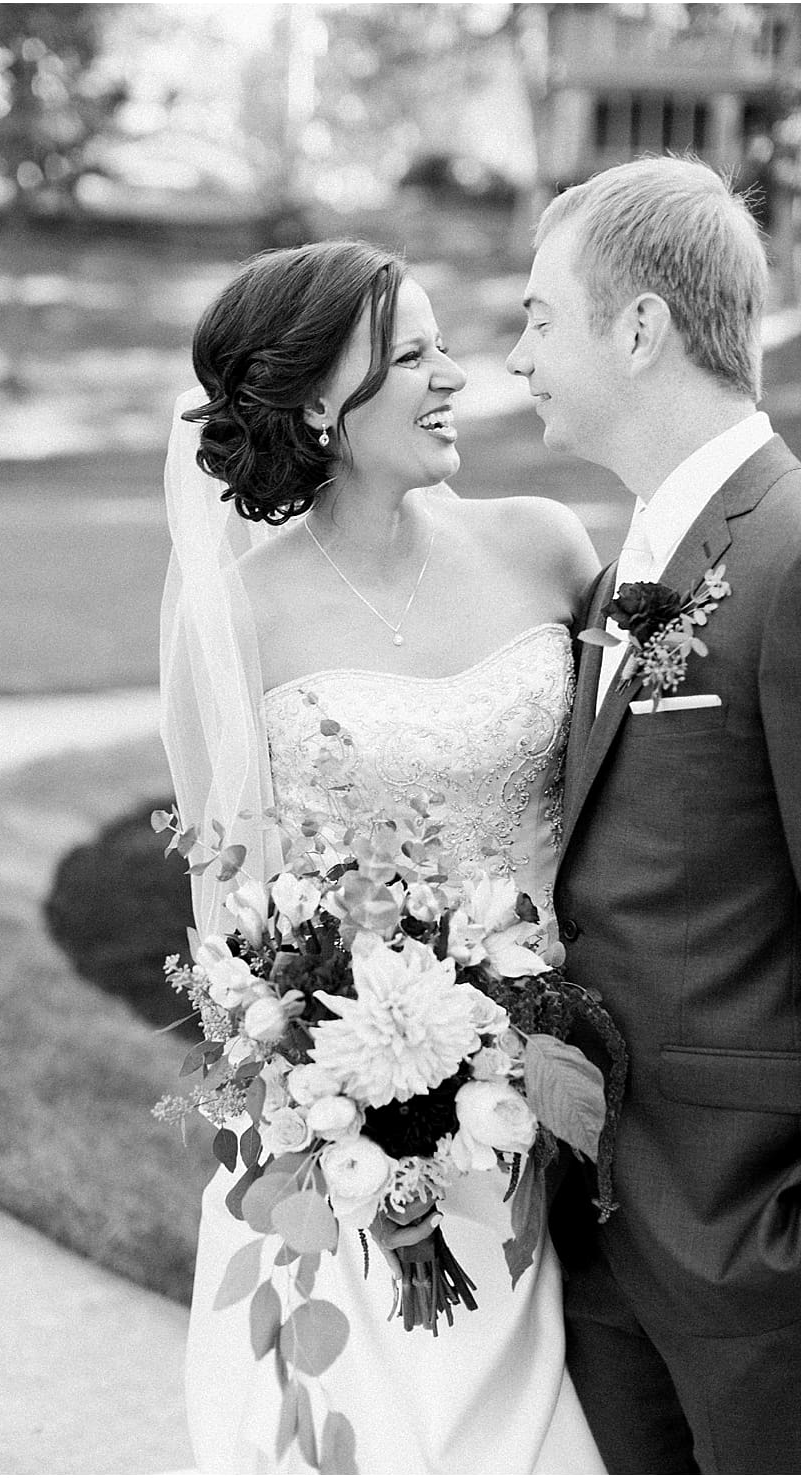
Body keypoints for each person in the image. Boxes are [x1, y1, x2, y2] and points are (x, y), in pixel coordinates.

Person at [164, 240, 606, 1471]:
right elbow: (231, 916)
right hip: (348, 1135)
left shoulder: (547, 548)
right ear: (318, 405)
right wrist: (332, 1093)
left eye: (445, 345)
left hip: (564, 1094)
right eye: (412, 355)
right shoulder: (239, 616)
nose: (455, 375)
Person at [518, 158, 800, 1476]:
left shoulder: (790, 556)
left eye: (536, 316)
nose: (511, 352)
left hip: (751, 1267)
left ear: (633, 328)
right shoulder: (621, 557)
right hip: (602, 1238)